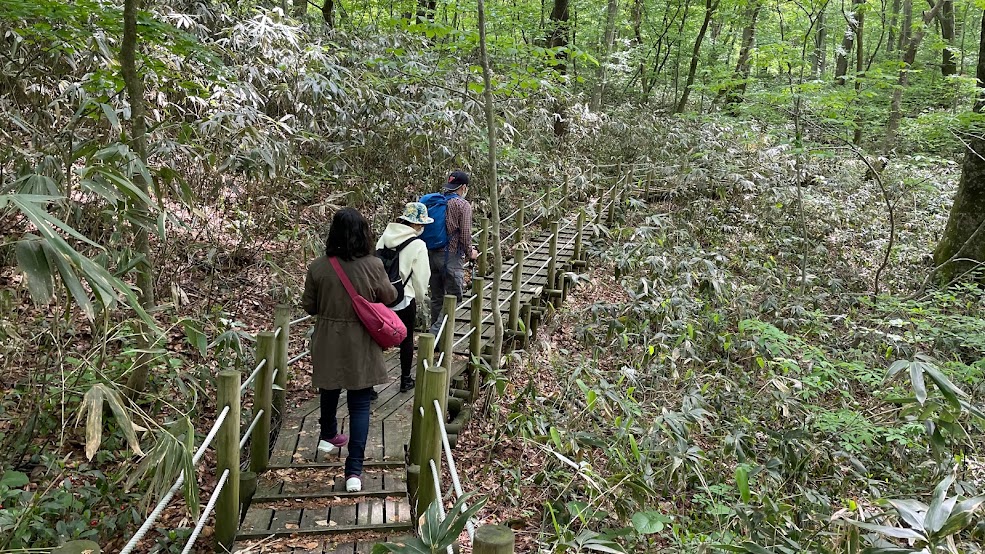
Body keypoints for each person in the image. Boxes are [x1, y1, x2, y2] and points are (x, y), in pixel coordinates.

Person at [302, 208, 396, 493]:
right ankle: (354, 471)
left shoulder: (319, 266)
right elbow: (389, 297)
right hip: (361, 342)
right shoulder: (373, 265)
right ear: (363, 234)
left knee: (329, 388)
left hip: (328, 338)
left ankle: (328, 435)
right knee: (359, 404)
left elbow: (309, 305)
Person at [376, 202, 432, 392]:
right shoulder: (418, 245)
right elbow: (422, 277)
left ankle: (370, 386)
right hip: (404, 298)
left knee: (376, 339)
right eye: (421, 224)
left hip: (380, 297)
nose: (422, 228)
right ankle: (405, 379)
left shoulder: (384, 238)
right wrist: (419, 297)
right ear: (415, 224)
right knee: (406, 340)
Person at [427, 171, 479, 335]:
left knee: (437, 298)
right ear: (463, 187)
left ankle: (437, 340)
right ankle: (434, 335)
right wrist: (471, 252)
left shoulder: (437, 202)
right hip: (451, 256)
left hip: (432, 254)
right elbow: (465, 235)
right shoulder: (462, 205)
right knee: (454, 296)